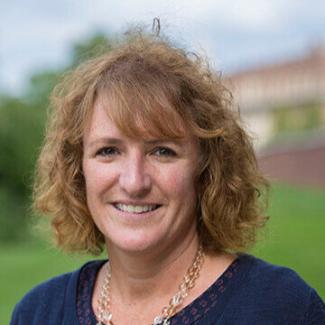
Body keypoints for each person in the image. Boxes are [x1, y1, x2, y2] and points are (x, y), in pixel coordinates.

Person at [11, 28, 325, 325]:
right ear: (78, 171)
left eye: (162, 151)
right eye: (108, 151)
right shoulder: (38, 312)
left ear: (205, 169)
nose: (134, 182)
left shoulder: (283, 308)